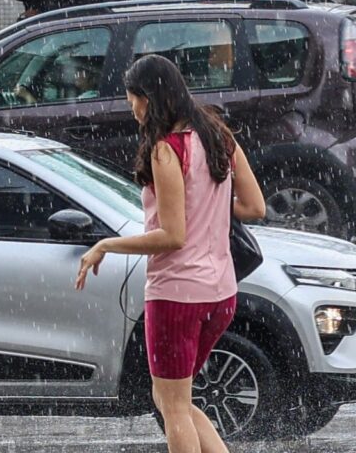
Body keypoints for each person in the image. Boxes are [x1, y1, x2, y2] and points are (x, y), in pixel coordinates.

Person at [75, 54, 265, 452]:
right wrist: (207, 204)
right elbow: (254, 207)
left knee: (173, 406)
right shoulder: (220, 137)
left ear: (150, 97)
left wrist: (106, 244)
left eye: (132, 98)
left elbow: (172, 236)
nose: (131, 107)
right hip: (221, 292)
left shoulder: (167, 149)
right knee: (174, 399)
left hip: (177, 294)